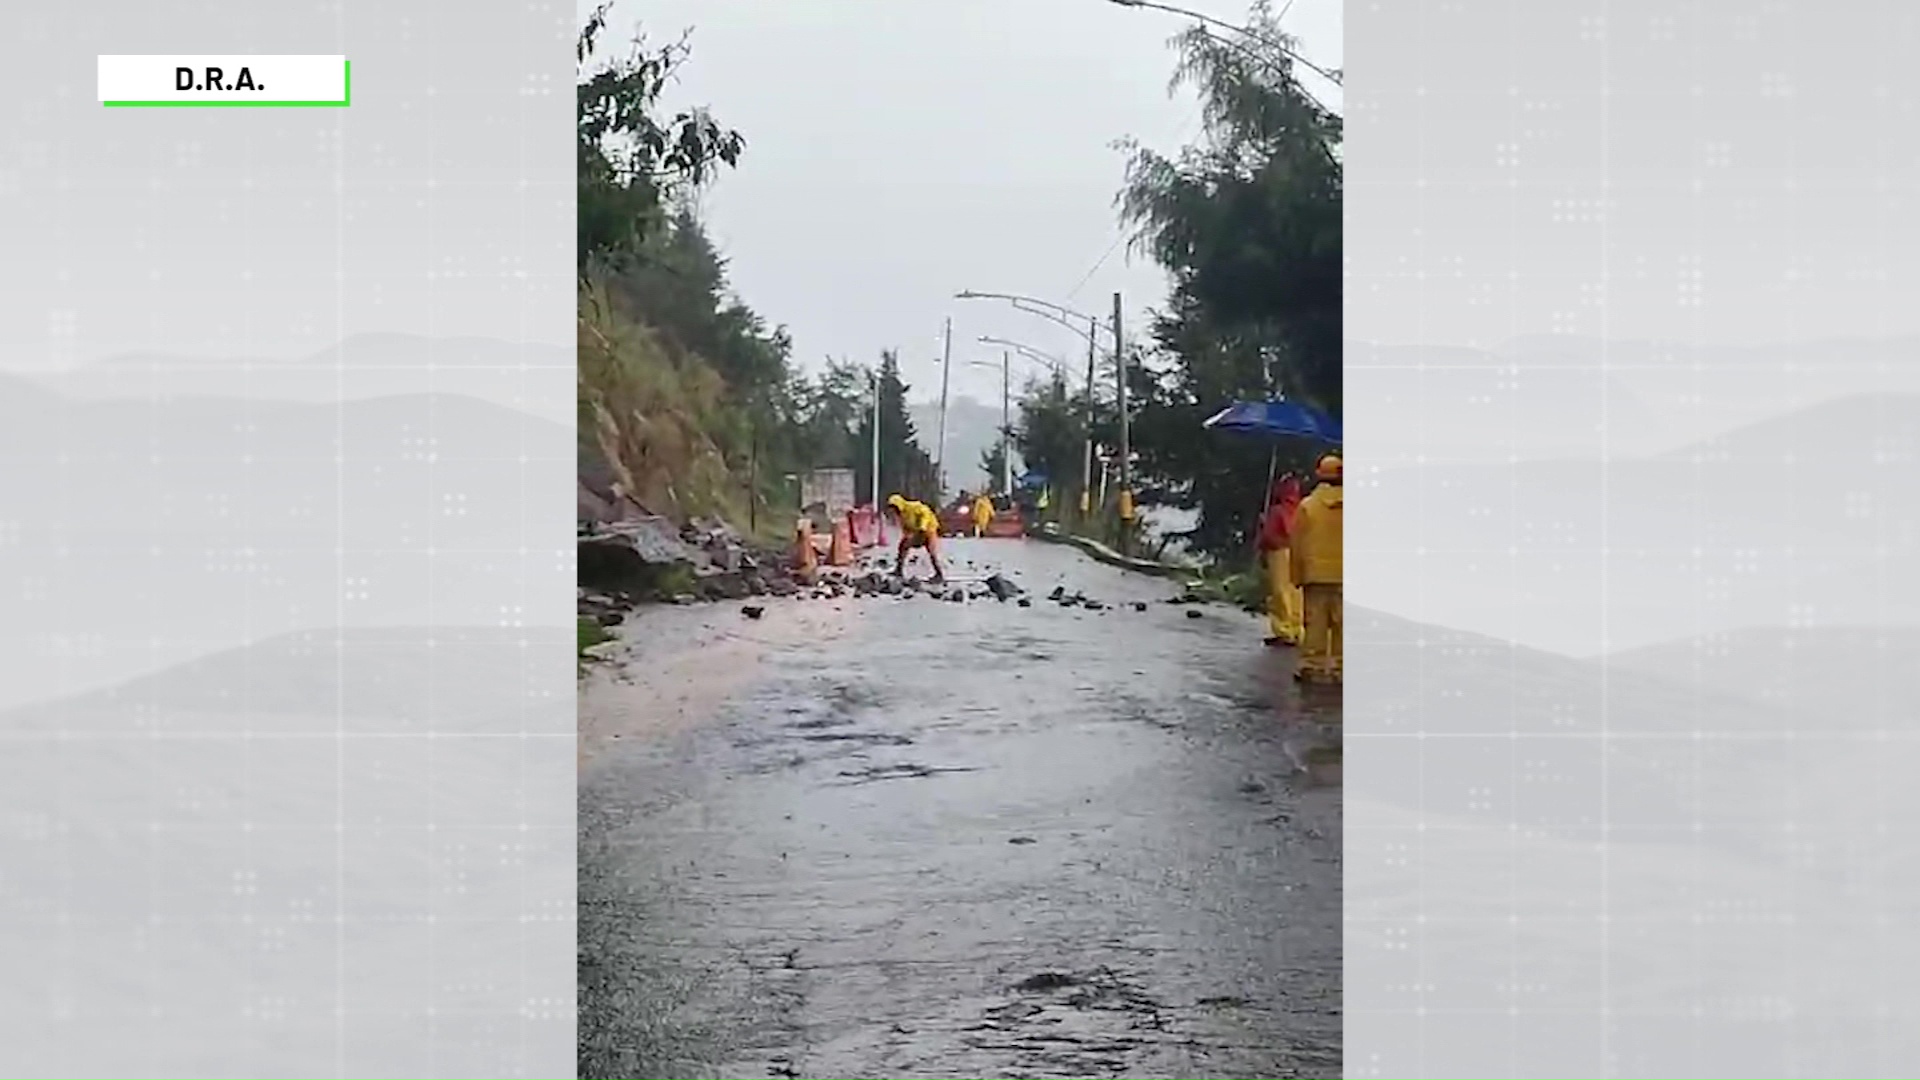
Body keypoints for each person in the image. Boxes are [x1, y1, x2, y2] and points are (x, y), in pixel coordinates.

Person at [1289, 453, 1343, 684]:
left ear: (1319, 475)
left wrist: (1296, 575)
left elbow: (1297, 544)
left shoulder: (1307, 506)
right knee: (1344, 624)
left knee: (1315, 624)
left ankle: (1313, 666)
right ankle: (1342, 667)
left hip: (1316, 574)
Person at [1256, 474, 1304, 647]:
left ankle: (1284, 631)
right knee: (1295, 592)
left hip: (1279, 553)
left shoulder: (1277, 510)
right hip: (1298, 552)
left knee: (1280, 591)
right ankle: (1298, 630)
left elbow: (1270, 535)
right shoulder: (1302, 509)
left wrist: (1263, 525)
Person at [887, 493, 946, 583]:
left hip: (928, 530)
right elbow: (905, 527)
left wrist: (923, 526)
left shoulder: (914, 506)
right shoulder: (902, 515)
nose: (894, 511)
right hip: (916, 532)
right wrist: (907, 536)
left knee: (932, 551)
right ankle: (898, 570)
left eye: (894, 507)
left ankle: (939, 573)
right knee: (903, 546)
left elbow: (925, 513)